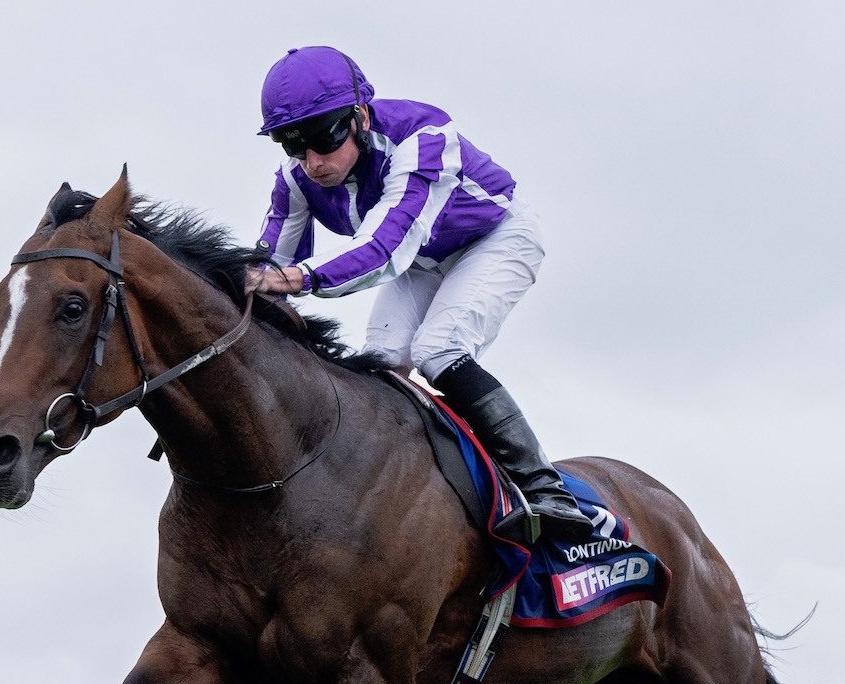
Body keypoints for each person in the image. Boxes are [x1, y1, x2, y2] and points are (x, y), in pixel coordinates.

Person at [251, 46, 593, 545]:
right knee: (382, 364)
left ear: (360, 116)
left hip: (494, 239)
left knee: (438, 349)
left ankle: (544, 489)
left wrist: (295, 279)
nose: (314, 162)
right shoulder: (296, 179)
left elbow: (384, 251)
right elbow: (267, 264)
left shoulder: (423, 139)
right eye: (292, 145)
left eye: (324, 140)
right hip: (424, 260)